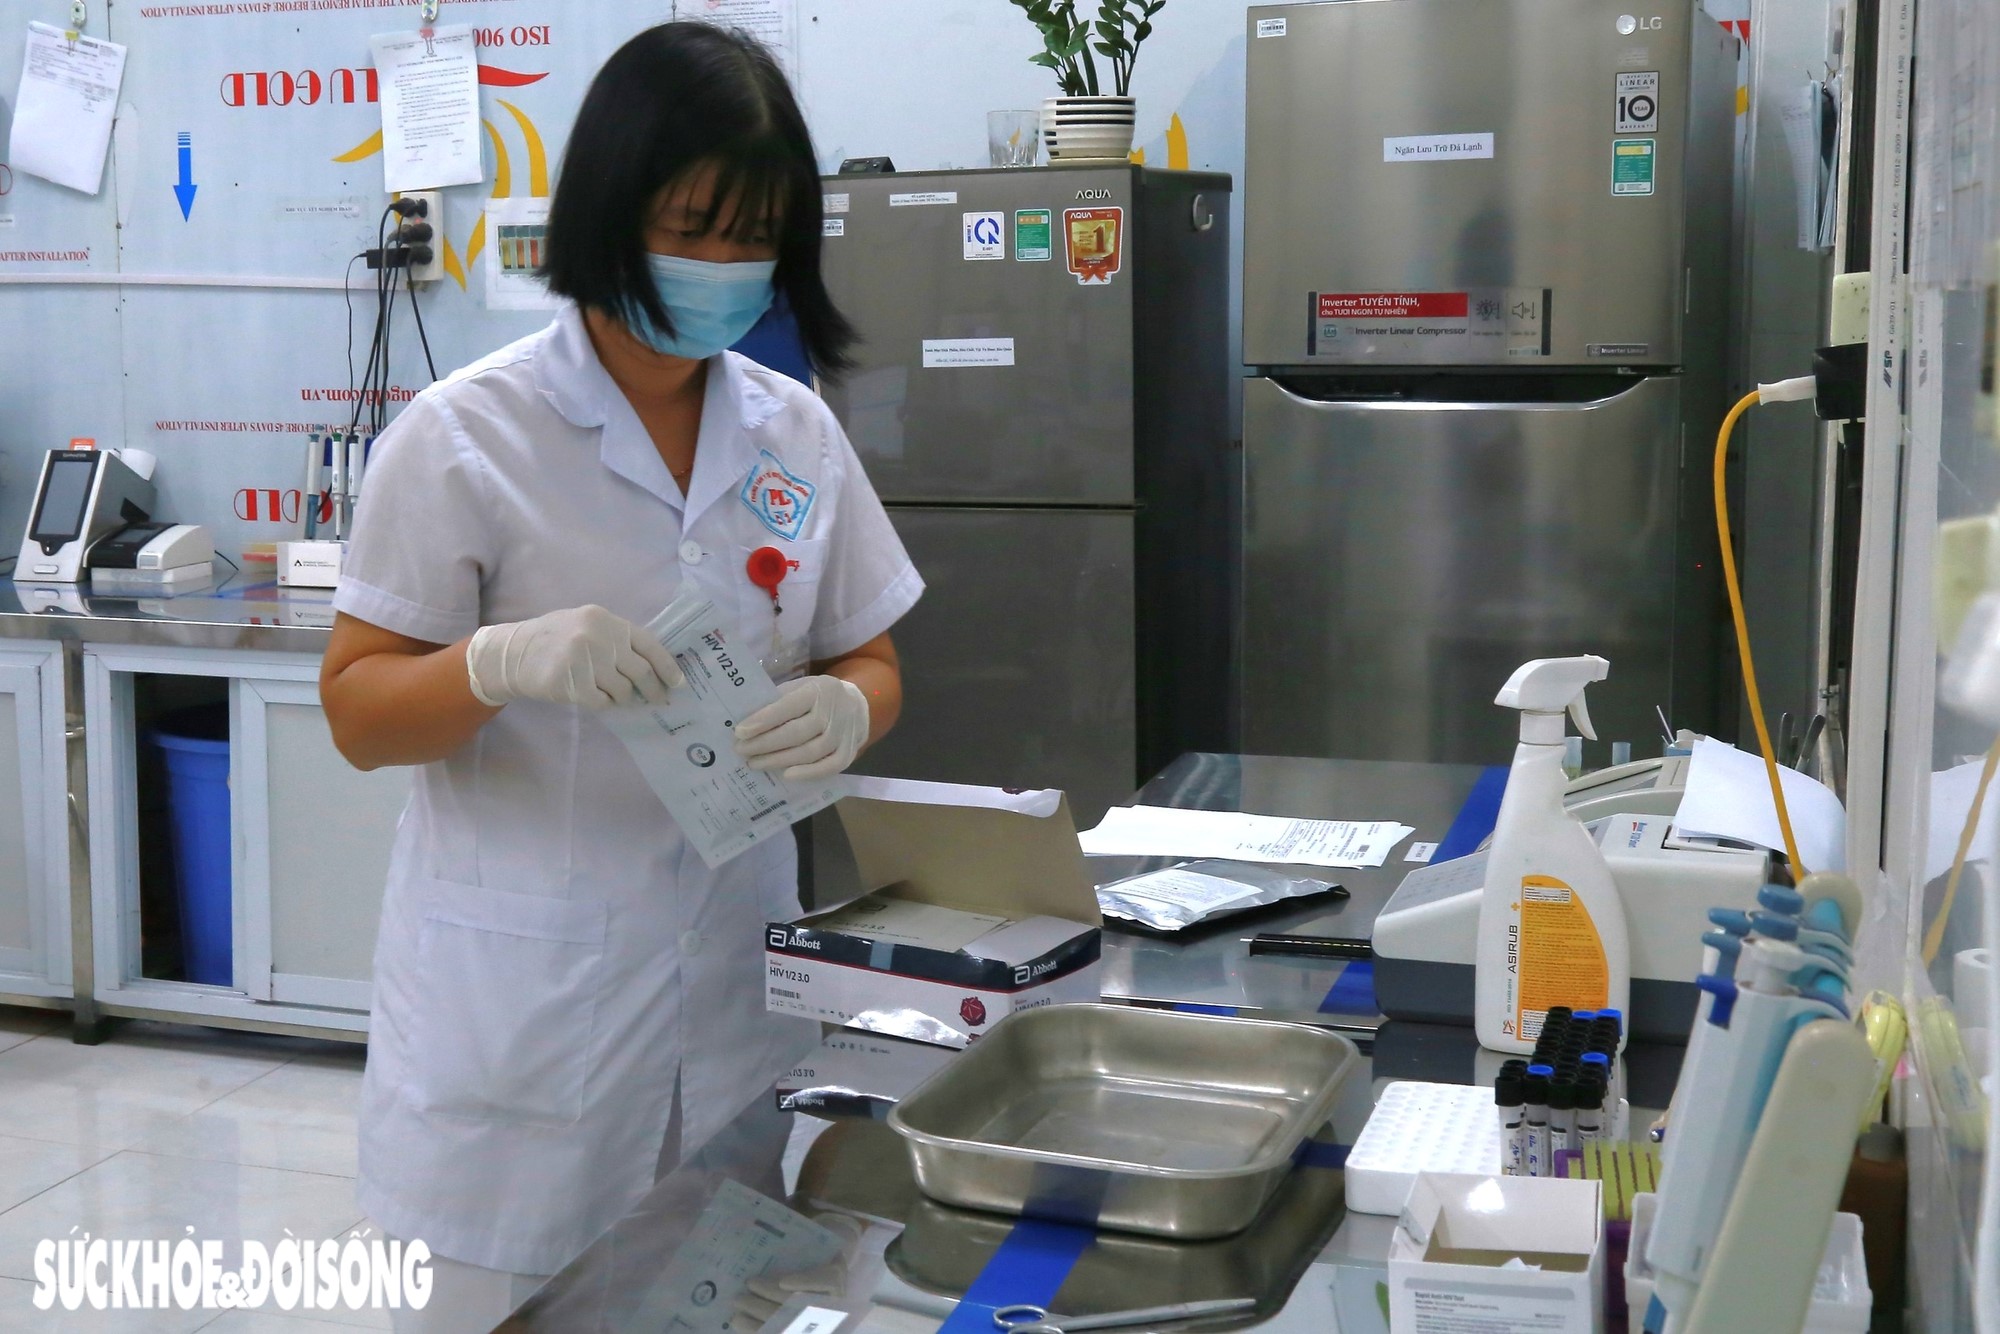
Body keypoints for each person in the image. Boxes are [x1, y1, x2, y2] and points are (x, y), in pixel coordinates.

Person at [319, 23, 921, 1330]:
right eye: (692, 226)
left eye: (754, 235)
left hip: (733, 1018)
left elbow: (868, 651)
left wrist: (847, 707)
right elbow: (358, 711)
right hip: (517, 1037)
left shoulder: (796, 432)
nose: (723, 266)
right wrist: (497, 661)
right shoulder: (464, 436)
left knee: (712, 1304)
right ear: (608, 210)